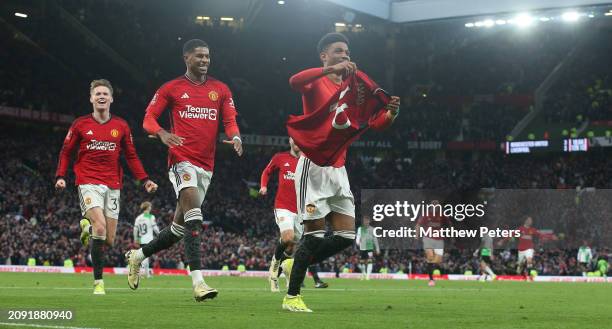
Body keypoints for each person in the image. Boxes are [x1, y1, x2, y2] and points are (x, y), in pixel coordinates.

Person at [282, 32, 400, 312]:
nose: (345, 55)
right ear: (324, 56)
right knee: (313, 236)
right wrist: (331, 69)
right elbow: (294, 81)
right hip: (313, 167)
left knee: (346, 236)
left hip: (338, 169)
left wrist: (391, 113)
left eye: (346, 51)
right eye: (338, 51)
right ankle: (292, 297)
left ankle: (294, 262)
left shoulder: (354, 88)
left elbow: (373, 122)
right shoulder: (316, 82)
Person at [125, 39, 242, 302]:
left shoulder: (220, 89)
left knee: (178, 230)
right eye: (199, 56)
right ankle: (198, 282)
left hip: (206, 165)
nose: (205, 60)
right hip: (181, 161)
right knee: (195, 217)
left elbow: (230, 120)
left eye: (208, 56)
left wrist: (236, 137)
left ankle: (138, 255)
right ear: (186, 58)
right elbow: (148, 119)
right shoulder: (172, 88)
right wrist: (163, 133)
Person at [55, 79, 158, 295]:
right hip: (87, 181)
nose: (101, 96)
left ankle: (87, 228)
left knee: (108, 240)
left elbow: (130, 155)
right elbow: (66, 152)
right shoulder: (80, 124)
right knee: (101, 227)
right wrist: (61, 175)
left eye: (105, 93)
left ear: (111, 98)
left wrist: (145, 179)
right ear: (91, 98)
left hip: (113, 184)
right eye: (97, 93)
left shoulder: (121, 125)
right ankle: (98, 283)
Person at [260, 138, 327, 292]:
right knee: (288, 238)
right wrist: (264, 186)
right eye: (294, 138)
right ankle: (274, 265)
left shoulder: (309, 162)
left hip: (301, 211)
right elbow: (267, 171)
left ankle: (277, 272)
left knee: (290, 248)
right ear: (290, 140)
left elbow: (315, 187)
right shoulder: (280, 157)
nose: (297, 141)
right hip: (283, 207)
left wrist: (313, 208)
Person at [415, 200, 450, 287]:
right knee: (430, 258)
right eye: (433, 206)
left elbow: (449, 224)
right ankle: (431, 279)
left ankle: (434, 274)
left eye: (437, 206)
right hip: (428, 238)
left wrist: (450, 236)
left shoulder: (442, 215)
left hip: (439, 239)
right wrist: (417, 235)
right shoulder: (426, 215)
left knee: (437, 260)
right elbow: (418, 224)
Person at [133, 201, 160, 278]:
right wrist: (160, 234)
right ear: (148, 207)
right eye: (150, 206)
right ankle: (142, 273)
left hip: (141, 240)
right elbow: (155, 228)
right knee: (145, 257)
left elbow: (135, 230)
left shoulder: (138, 218)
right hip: (148, 239)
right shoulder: (151, 217)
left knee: (145, 256)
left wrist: (135, 239)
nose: (151, 208)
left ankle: (145, 274)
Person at [356, 215, 380, 280]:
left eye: (367, 221)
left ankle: (368, 276)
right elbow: (358, 236)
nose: (366, 222)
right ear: (363, 222)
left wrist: (377, 248)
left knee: (369, 261)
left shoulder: (372, 229)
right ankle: (364, 274)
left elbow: (375, 239)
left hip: (369, 247)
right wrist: (357, 242)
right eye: (365, 221)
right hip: (362, 247)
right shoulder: (360, 229)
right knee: (362, 262)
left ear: (369, 221)